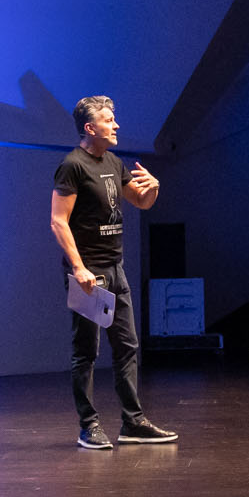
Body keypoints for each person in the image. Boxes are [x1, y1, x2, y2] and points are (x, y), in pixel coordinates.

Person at [51, 96, 176, 449]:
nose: (116, 125)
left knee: (127, 347)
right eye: (109, 120)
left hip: (115, 271)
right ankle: (89, 426)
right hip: (88, 274)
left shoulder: (113, 161)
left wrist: (153, 188)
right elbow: (58, 222)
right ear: (90, 128)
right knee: (86, 352)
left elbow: (139, 201)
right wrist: (79, 268)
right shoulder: (72, 166)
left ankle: (133, 423)